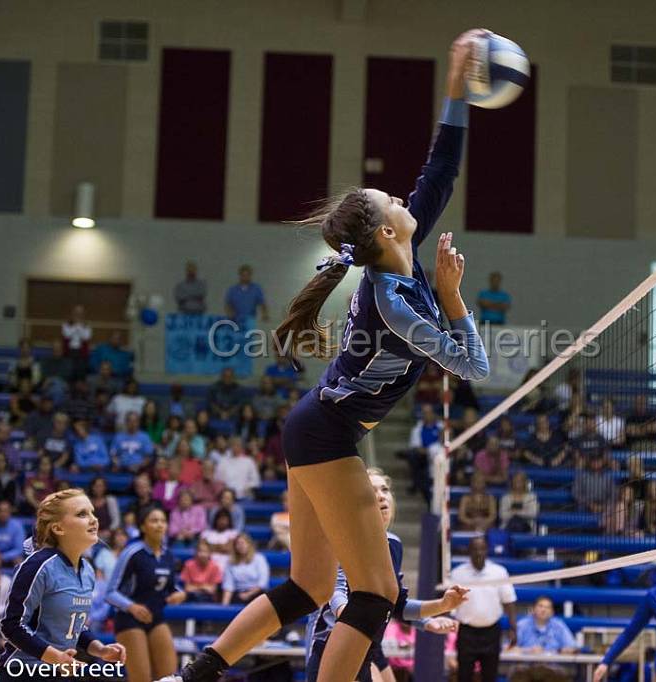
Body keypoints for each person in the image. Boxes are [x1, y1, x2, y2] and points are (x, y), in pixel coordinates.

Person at [160, 31, 488, 682]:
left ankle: (192, 677)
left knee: (310, 587)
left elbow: (441, 170)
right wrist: (453, 299)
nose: (404, 196)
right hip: (328, 435)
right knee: (373, 595)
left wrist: (456, 88)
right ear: (389, 231)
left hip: (315, 427)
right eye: (393, 201)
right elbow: (474, 368)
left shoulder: (399, 255)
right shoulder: (394, 299)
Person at [305, 468, 464, 682]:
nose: (381, 495)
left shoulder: (393, 544)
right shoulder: (344, 535)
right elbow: (336, 590)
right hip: (332, 643)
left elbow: (396, 605)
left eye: (385, 489)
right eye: (372, 491)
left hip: (365, 644)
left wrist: (441, 606)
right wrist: (354, 619)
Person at [0, 488, 127, 675]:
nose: (94, 519)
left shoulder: (88, 571)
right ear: (58, 528)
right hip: (24, 671)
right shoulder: (38, 566)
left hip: (60, 671)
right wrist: (55, 658)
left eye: (92, 512)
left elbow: (73, 627)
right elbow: (11, 625)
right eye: (82, 514)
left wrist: (99, 649)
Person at [106, 507, 185, 682]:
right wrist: (132, 607)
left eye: (163, 521)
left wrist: (180, 594)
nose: (159, 525)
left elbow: (171, 587)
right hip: (129, 620)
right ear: (143, 526)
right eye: (154, 520)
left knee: (169, 678)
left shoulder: (168, 556)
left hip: (156, 618)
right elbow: (110, 592)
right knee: (141, 678)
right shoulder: (132, 553)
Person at [450, 535, 517, 682]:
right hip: (467, 633)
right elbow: (450, 604)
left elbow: (509, 601)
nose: (478, 552)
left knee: (490, 676)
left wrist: (513, 628)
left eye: (482, 549)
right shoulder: (457, 574)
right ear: (469, 551)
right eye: (475, 549)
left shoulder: (499, 572)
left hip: (491, 632)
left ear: (487, 550)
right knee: (464, 676)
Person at [511, 596, 578, 682]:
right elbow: (509, 648)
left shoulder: (559, 626)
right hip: (526, 669)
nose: (543, 610)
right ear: (533, 609)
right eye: (540, 606)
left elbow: (572, 647)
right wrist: (528, 651)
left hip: (552, 670)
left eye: (547, 607)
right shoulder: (522, 625)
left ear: (552, 612)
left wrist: (562, 650)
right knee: (518, 674)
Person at [221, 532, 270, 606]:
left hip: (257, 593)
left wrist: (248, 594)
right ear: (235, 547)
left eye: (243, 543)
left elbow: (262, 583)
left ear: (249, 544)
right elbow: (228, 586)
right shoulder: (230, 562)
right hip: (238, 593)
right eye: (238, 544)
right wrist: (224, 607)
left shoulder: (259, 558)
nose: (241, 546)